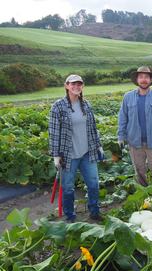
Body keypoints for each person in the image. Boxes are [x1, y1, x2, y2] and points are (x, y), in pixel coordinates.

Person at [49, 74, 104, 222]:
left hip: (87, 153)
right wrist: (56, 155)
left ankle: (94, 211)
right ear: (67, 86)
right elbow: (54, 133)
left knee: (93, 184)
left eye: (79, 84)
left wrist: (98, 146)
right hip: (68, 155)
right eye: (73, 84)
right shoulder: (58, 106)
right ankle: (70, 216)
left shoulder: (86, 105)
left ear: (82, 87)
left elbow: (92, 128)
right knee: (67, 188)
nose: (76, 87)